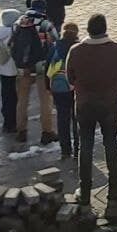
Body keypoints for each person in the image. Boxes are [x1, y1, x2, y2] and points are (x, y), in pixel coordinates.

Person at [65, 13, 117, 206]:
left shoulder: (76, 50)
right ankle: (114, 187)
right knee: (110, 143)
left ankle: (85, 191)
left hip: (84, 104)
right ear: (105, 29)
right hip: (109, 104)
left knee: (85, 145)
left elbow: (69, 77)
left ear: (88, 29)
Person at [9, 0, 58, 146]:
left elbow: (11, 44)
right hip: (41, 68)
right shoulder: (45, 24)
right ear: (44, 9)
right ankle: (47, 132)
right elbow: (55, 42)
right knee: (45, 100)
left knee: (22, 100)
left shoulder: (18, 23)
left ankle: (21, 131)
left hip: (23, 68)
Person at [47, 21, 80, 163]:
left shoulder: (54, 47)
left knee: (62, 119)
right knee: (77, 119)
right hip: (74, 87)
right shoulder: (78, 48)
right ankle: (78, 149)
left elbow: (47, 68)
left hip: (58, 88)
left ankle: (65, 150)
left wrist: (49, 88)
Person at [0, 9, 20, 137]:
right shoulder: (14, 33)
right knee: (14, 97)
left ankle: (7, 122)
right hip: (13, 70)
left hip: (3, 69)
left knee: (6, 96)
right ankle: (13, 123)